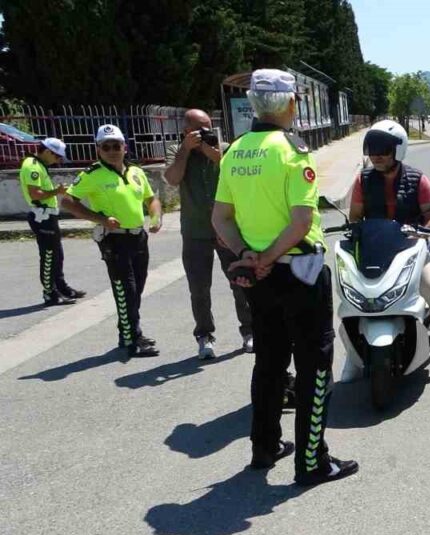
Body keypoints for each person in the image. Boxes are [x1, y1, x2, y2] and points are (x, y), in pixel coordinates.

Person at [212, 68, 358, 486]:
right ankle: (312, 461)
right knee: (314, 365)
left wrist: (248, 256)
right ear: (291, 104)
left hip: (257, 277)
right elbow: (300, 221)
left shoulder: (235, 150)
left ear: (254, 104)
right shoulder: (293, 151)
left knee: (270, 361)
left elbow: (220, 217)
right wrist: (270, 257)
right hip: (298, 270)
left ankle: (264, 446)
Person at [347, 120, 430, 377]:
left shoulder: (417, 178)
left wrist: (421, 232)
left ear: (399, 149)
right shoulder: (363, 179)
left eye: (383, 149)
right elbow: (355, 217)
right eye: (372, 149)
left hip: (411, 250)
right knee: (351, 295)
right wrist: (354, 232)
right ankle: (353, 354)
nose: (377, 155)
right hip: (374, 251)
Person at [61, 125, 163, 358]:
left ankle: (130, 332)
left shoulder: (136, 171)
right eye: (106, 146)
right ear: (98, 149)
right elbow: (67, 202)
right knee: (125, 289)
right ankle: (131, 340)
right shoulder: (92, 174)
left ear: (125, 147)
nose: (112, 150)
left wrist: (156, 217)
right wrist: (100, 219)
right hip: (114, 240)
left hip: (138, 237)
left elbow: (152, 198)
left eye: (116, 145)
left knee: (137, 288)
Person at [165, 108, 254, 359]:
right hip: (194, 231)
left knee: (240, 282)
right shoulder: (177, 151)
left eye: (208, 127)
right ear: (185, 131)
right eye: (199, 129)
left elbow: (233, 170)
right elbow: (172, 179)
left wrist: (209, 150)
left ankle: (249, 331)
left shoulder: (224, 148)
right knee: (199, 288)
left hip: (226, 229)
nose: (205, 132)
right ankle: (204, 336)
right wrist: (185, 150)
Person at [20, 137, 85, 306]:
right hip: (42, 216)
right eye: (57, 157)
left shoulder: (39, 165)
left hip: (48, 215)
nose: (58, 161)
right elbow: (35, 194)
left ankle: (61, 287)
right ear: (48, 151)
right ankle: (50, 293)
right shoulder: (32, 166)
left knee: (57, 254)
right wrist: (57, 191)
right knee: (49, 256)